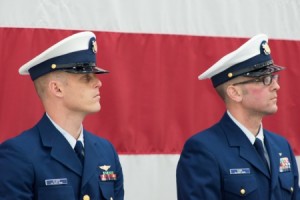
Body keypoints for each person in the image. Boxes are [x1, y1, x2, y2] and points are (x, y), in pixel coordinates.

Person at [0, 31, 124, 200]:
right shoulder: (18, 156)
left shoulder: (106, 151)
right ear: (57, 88)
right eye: (86, 78)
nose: (98, 82)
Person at [176, 34, 299, 200]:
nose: (276, 86)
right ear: (235, 92)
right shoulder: (204, 150)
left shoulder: (281, 147)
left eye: (274, 77)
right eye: (265, 79)